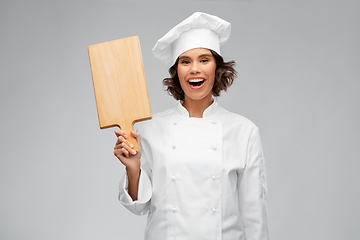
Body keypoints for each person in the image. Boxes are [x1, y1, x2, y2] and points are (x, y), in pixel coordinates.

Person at [114, 12, 269, 240]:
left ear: (217, 67)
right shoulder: (149, 128)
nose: (194, 69)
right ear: (177, 71)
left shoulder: (244, 132)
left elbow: (255, 214)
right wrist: (133, 168)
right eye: (185, 61)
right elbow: (139, 207)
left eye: (204, 60)